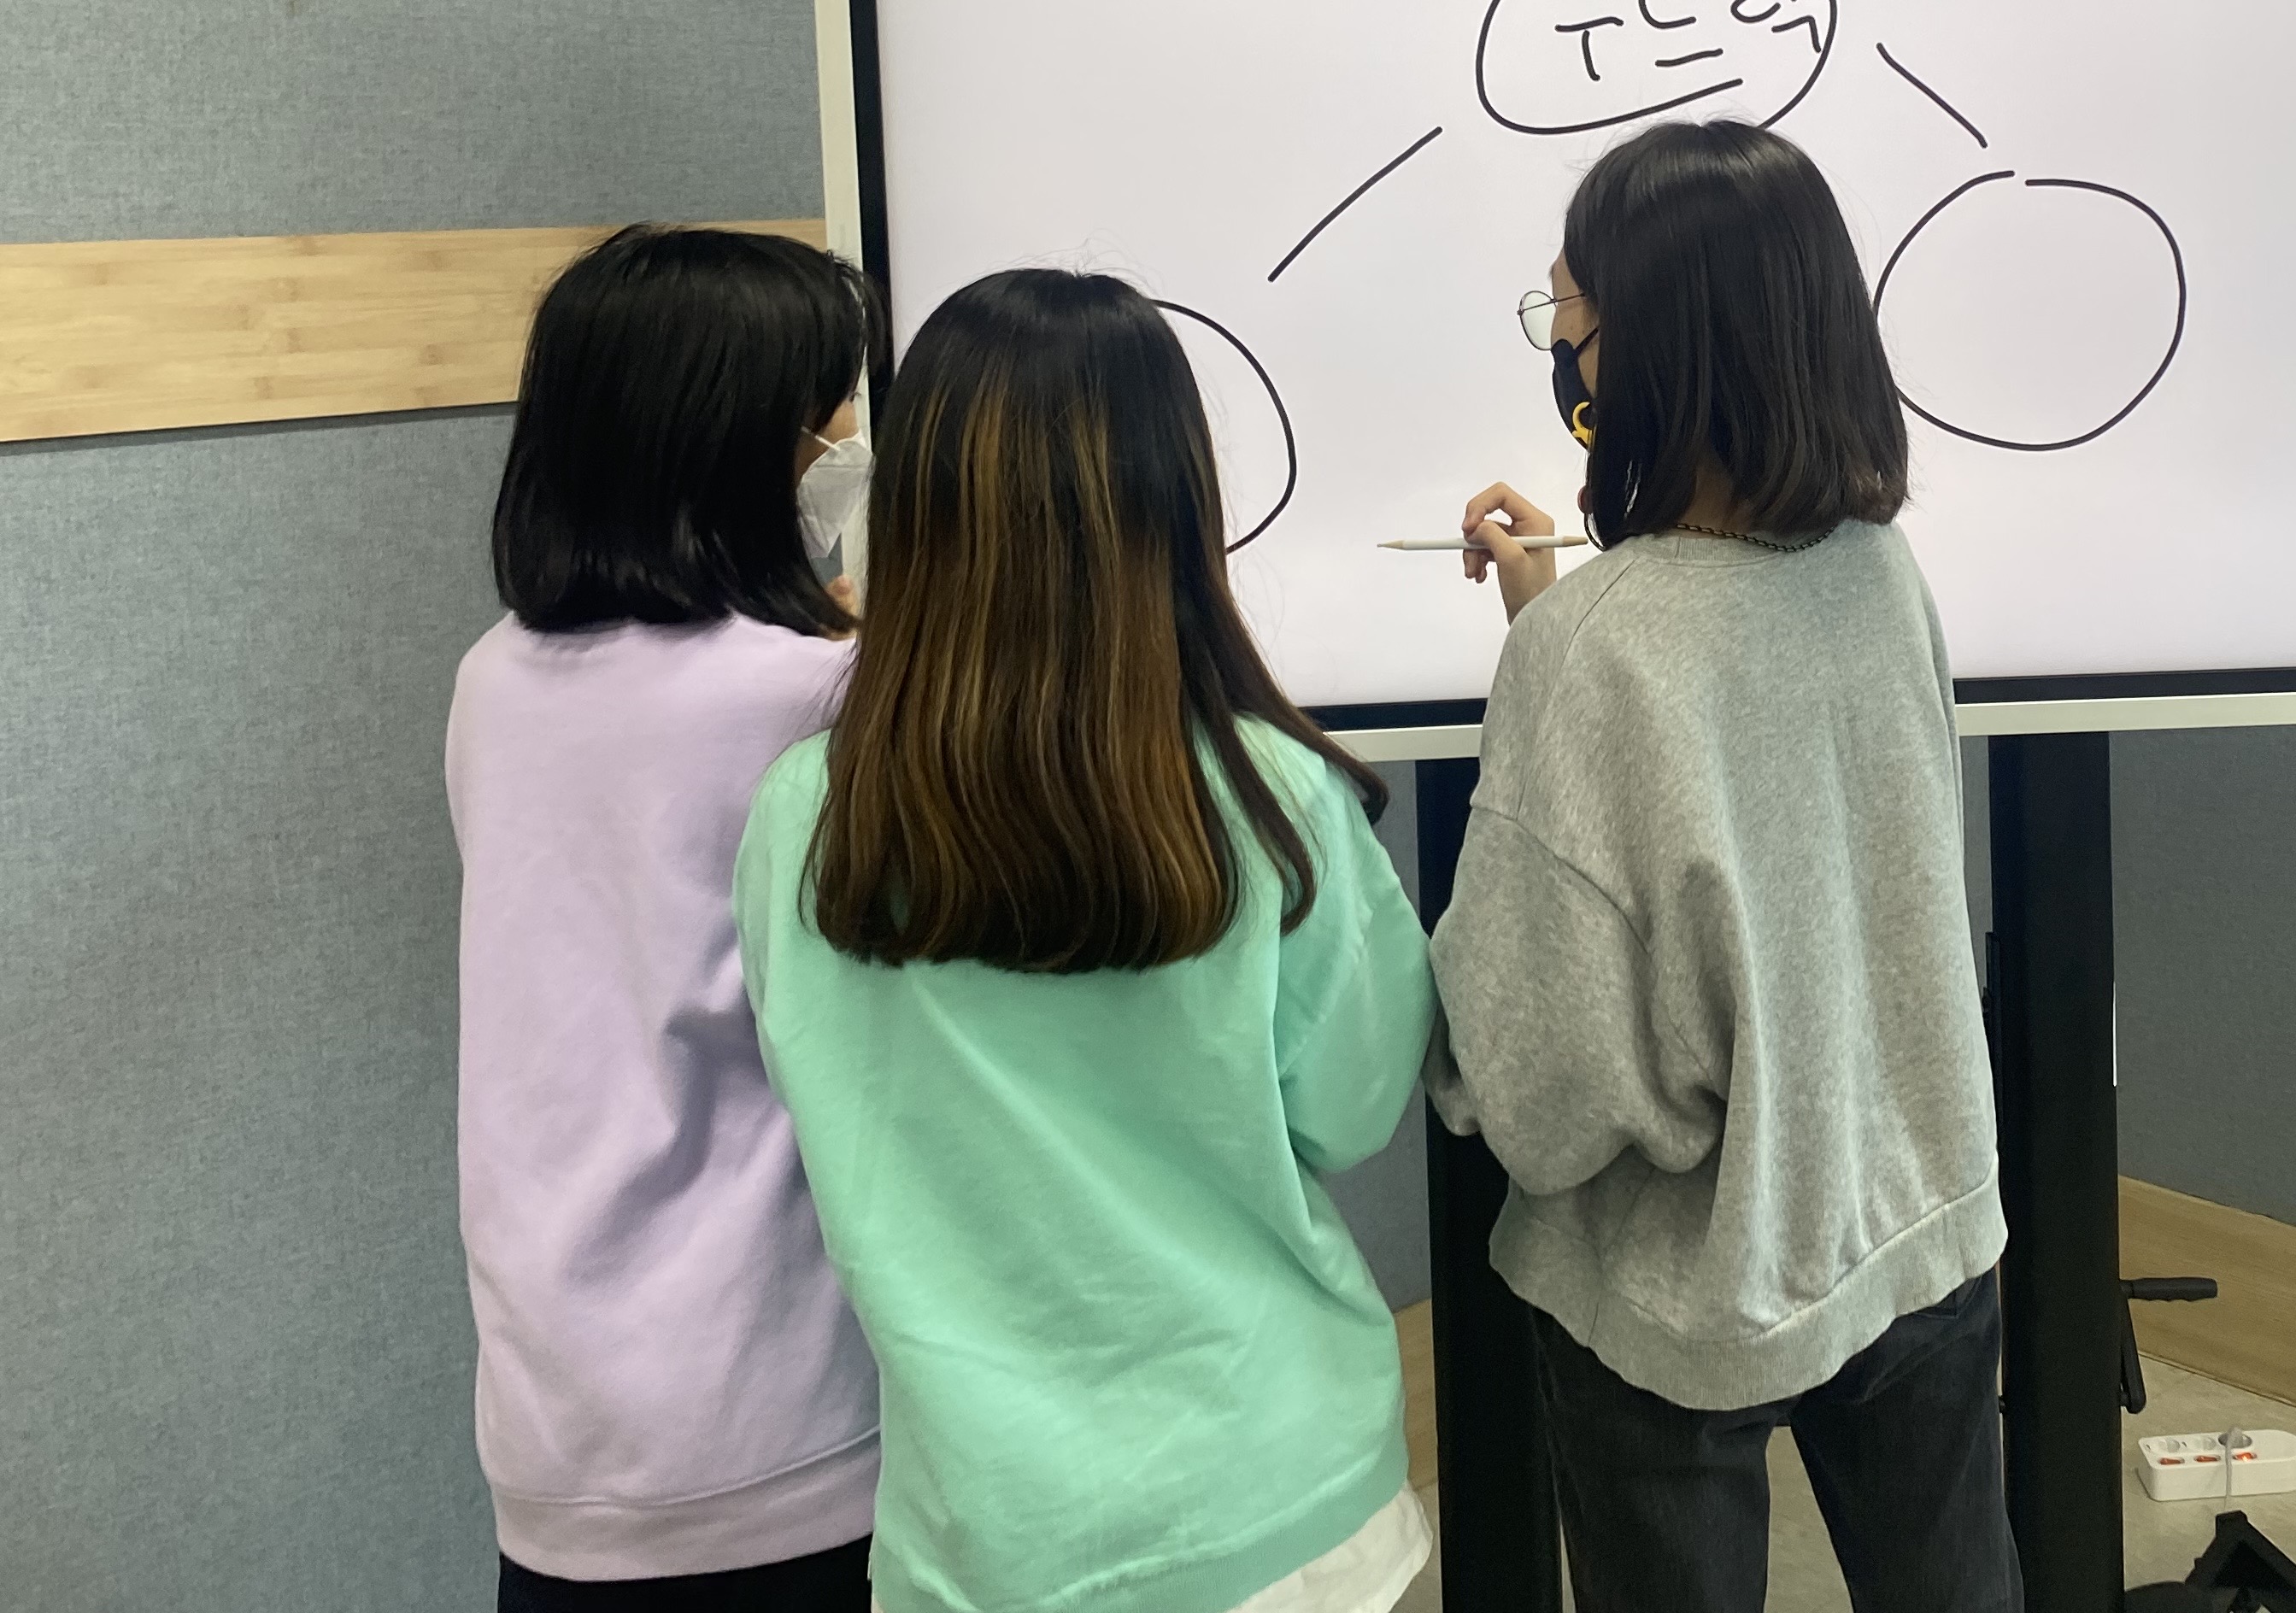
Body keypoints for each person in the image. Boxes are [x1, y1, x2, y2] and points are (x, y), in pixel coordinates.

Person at [733, 269, 1435, 1613]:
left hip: (984, 1534)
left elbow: (823, 1090)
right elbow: (1353, 1107)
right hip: (1278, 1498)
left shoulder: (804, 820)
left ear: (917, 504)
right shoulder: (1271, 799)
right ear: (1173, 503)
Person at [1435, 119, 2019, 1613]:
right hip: (1916, 1212)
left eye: (1567, 317)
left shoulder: (1591, 655)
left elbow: (1540, 1090)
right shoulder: (1881, 570)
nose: (1561, 350)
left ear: (1645, 349)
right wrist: (1555, 620)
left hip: (1679, 1297)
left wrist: (1558, 644)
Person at [447, 224, 887, 1610]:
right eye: (829, 416)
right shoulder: (814, 697)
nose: (849, 446)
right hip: (777, 1408)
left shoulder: (493, 679)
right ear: (743, 446)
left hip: (554, 1412)